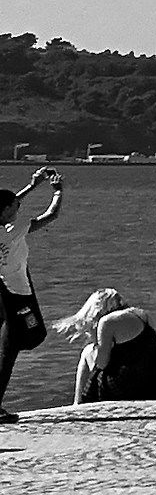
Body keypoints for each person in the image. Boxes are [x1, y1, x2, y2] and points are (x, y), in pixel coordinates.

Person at [0, 168, 63, 420]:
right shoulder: (13, 230)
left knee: (12, 344)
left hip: (2, 291)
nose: (18, 207)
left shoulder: (4, 225)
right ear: (6, 211)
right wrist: (58, 191)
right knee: (17, 345)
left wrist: (33, 186)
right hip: (18, 294)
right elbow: (51, 215)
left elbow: (7, 203)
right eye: (13, 206)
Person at [63, 290, 156, 405]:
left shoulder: (107, 321)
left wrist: (98, 342)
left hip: (127, 389)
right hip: (154, 386)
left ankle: (77, 404)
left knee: (87, 352)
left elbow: (102, 363)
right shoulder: (143, 315)